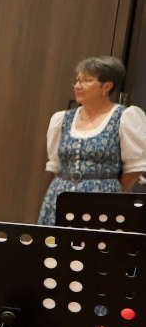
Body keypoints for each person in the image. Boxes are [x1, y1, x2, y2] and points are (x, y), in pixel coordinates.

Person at [38, 56, 144, 224]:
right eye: (78, 80)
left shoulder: (124, 117)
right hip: (59, 197)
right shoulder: (62, 119)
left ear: (107, 86)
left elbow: (135, 168)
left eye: (87, 80)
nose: (78, 86)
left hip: (102, 201)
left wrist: (109, 190)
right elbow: (56, 165)